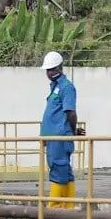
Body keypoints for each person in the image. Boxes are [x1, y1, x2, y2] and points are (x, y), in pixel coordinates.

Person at [39, 51, 84, 208]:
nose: (49, 73)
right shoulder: (56, 87)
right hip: (54, 137)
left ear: (60, 67)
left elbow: (70, 112)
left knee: (59, 168)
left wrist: (72, 132)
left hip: (59, 137)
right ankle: (68, 206)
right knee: (64, 170)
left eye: (52, 69)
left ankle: (55, 207)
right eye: (48, 70)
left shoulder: (67, 87)